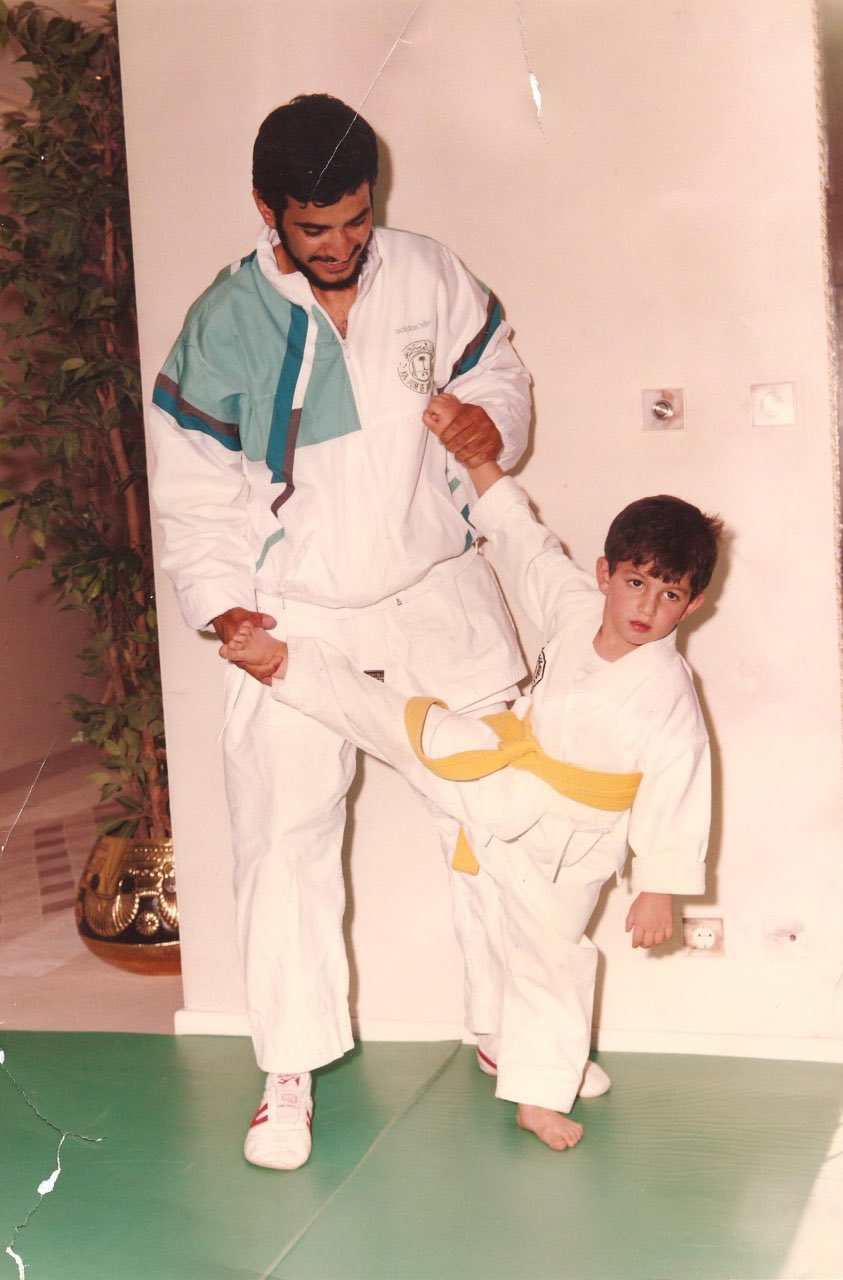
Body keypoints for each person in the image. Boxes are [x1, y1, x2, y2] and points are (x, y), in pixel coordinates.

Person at [148, 94, 533, 1169]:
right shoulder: (225, 321)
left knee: (497, 815)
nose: (340, 243)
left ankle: (512, 1031)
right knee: (285, 842)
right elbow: (193, 490)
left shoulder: (428, 273)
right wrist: (225, 607)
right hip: (296, 612)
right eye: (315, 227)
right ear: (267, 208)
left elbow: (498, 372)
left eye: (357, 219)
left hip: (435, 593)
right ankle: (288, 1074)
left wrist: (489, 422)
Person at [220, 391, 723, 1151]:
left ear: (692, 604)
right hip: (501, 770)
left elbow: (681, 784)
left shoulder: (667, 690)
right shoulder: (574, 606)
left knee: (549, 962)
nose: (646, 606)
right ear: (605, 573)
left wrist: (659, 885)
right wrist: (480, 462)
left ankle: (537, 1094)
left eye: (669, 594)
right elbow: (525, 544)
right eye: (635, 582)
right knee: (404, 724)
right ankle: (286, 663)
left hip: (570, 847)